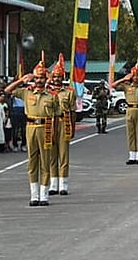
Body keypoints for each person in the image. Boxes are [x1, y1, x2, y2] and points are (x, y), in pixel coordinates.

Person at [5, 57, 59, 206]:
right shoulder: (26, 92)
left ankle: (44, 195)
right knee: (32, 162)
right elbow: (7, 91)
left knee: (45, 162)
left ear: (45, 78)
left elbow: (56, 116)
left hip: (46, 127)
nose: (39, 80)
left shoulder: (52, 96)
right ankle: (34, 195)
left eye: (42, 77)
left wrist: (54, 134)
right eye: (36, 77)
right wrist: (21, 80)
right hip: (30, 127)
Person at [111, 58, 138, 165]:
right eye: (133, 76)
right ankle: (131, 155)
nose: (135, 78)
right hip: (129, 110)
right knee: (130, 133)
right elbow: (113, 85)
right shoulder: (126, 86)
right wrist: (123, 78)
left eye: (137, 76)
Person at [48, 54, 76, 195]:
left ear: (63, 77)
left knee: (63, 154)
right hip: (51, 123)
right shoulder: (47, 92)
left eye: (59, 76)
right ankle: (53, 184)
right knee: (52, 155)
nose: (57, 79)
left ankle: (63, 184)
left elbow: (73, 111)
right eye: (54, 76)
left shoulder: (69, 92)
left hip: (64, 122)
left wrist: (73, 127)